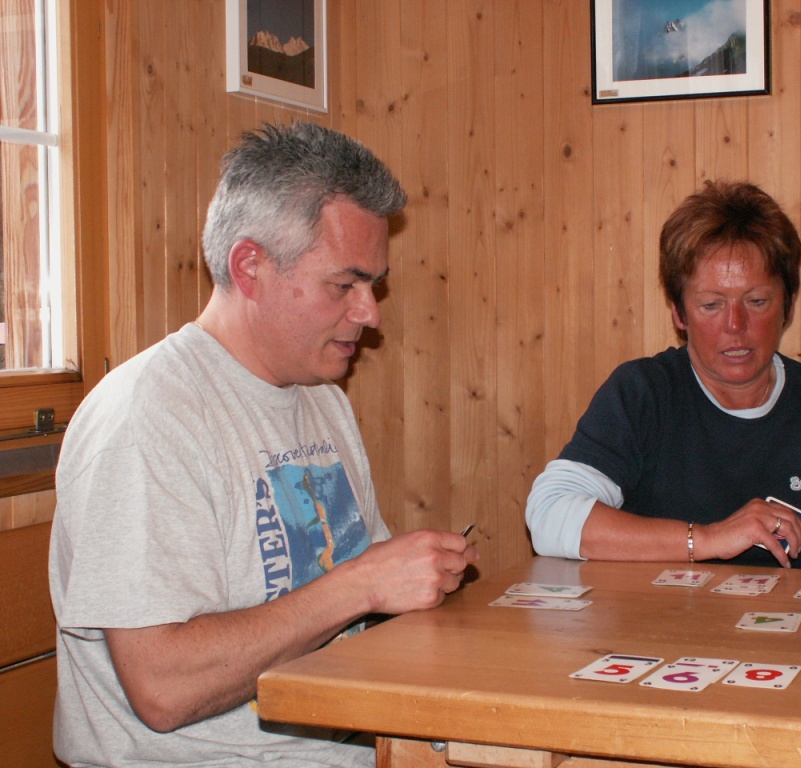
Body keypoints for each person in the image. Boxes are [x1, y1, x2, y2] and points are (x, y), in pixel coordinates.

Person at [49, 122, 479, 768]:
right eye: (345, 285)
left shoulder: (322, 398)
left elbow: (365, 601)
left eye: (374, 285)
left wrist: (412, 582)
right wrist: (363, 585)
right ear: (250, 267)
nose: (371, 313)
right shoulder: (147, 416)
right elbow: (162, 688)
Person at [526, 179, 801, 576]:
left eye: (756, 301)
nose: (736, 325)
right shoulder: (642, 394)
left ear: (788, 305)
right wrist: (707, 539)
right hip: (668, 620)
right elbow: (549, 513)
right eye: (711, 305)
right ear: (679, 313)